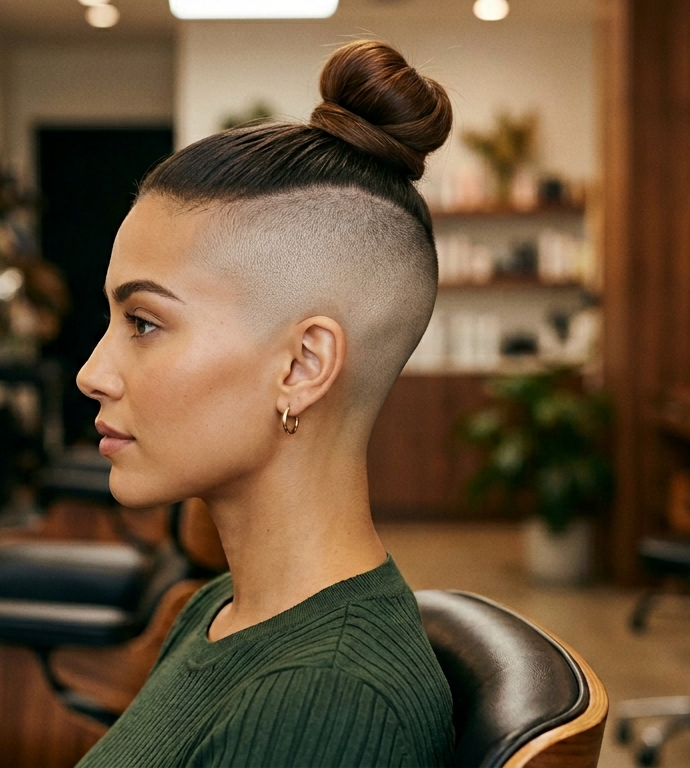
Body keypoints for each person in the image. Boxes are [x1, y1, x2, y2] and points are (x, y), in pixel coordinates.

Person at [74, 39, 455, 767]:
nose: (94, 372)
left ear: (302, 366)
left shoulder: (323, 706)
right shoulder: (216, 610)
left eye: (144, 323)